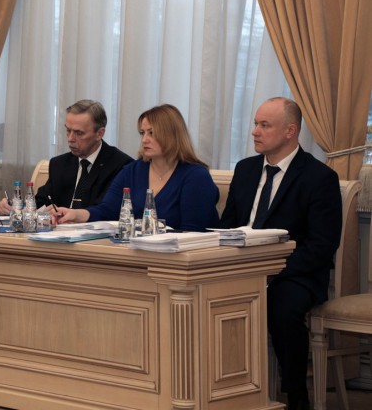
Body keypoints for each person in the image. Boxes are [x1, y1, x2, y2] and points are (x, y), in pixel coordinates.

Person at [219, 97, 342, 410]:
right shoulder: (245, 169)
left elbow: (322, 245)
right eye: (255, 124)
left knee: (283, 309)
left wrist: (272, 271)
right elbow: (227, 226)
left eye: (264, 125)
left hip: (296, 273)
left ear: (290, 131)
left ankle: (295, 396)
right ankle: (224, 389)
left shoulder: (319, 177)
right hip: (241, 267)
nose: (255, 131)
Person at [56, 104, 219, 231]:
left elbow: (193, 231)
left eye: (151, 133)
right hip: (139, 253)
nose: (144, 140)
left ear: (172, 135)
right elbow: (108, 210)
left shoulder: (196, 176)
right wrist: (75, 214)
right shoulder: (133, 170)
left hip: (179, 258)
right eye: (142, 133)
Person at [0, 99, 132, 215]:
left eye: (79, 133)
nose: (70, 138)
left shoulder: (121, 165)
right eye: (68, 130)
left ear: (99, 134)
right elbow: (41, 203)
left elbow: (108, 211)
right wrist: (15, 207)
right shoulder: (59, 164)